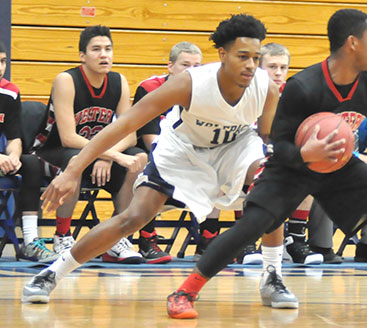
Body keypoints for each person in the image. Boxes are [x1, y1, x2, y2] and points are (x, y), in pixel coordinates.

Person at [161, 9, 367, 319]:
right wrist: (307, 154)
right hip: (292, 168)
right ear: (353, 43)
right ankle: (185, 291)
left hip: (336, 166)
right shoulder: (303, 86)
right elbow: (279, 144)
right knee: (249, 227)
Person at [22, 14, 298, 311]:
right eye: (242, 56)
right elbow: (124, 124)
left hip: (235, 146)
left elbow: (267, 137)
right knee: (133, 218)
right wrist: (74, 169)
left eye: (256, 58)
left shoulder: (266, 88)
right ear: (222, 54)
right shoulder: (189, 84)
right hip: (183, 149)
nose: (250, 65)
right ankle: (51, 273)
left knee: (272, 187)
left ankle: (272, 277)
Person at [33, 25, 148, 263]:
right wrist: (108, 155)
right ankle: (62, 236)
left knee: (138, 159)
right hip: (53, 152)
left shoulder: (119, 81)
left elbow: (130, 134)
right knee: (76, 158)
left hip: (97, 153)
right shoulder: (67, 80)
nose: (104, 54)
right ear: (82, 56)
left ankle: (117, 238)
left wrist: (107, 156)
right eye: (96, 49)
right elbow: (68, 138)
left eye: (108, 49)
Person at [132, 41, 202, 264]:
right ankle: (147, 239)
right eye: (185, 65)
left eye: (197, 66)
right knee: (151, 168)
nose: (191, 71)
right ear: (170, 67)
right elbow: (149, 139)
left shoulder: (205, 93)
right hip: (151, 152)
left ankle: (208, 242)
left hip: (189, 156)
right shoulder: (150, 88)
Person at [258, 42, 322, 265]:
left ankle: (294, 239)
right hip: (250, 153)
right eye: (272, 66)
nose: (278, 72)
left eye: (283, 67)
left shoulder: (297, 95)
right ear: (258, 67)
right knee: (254, 166)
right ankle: (248, 242)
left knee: (309, 167)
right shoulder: (247, 92)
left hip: (281, 153)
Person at [309, 118, 367, 264]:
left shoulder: (363, 102)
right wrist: (360, 158)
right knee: (326, 163)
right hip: (323, 159)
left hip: (355, 166)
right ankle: (321, 246)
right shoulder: (322, 100)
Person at [0, 41, 58, 262]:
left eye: (3, 61)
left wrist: (13, 156)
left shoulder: (10, 92)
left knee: (31, 163)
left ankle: (31, 241)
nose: (0, 67)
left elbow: (14, 136)